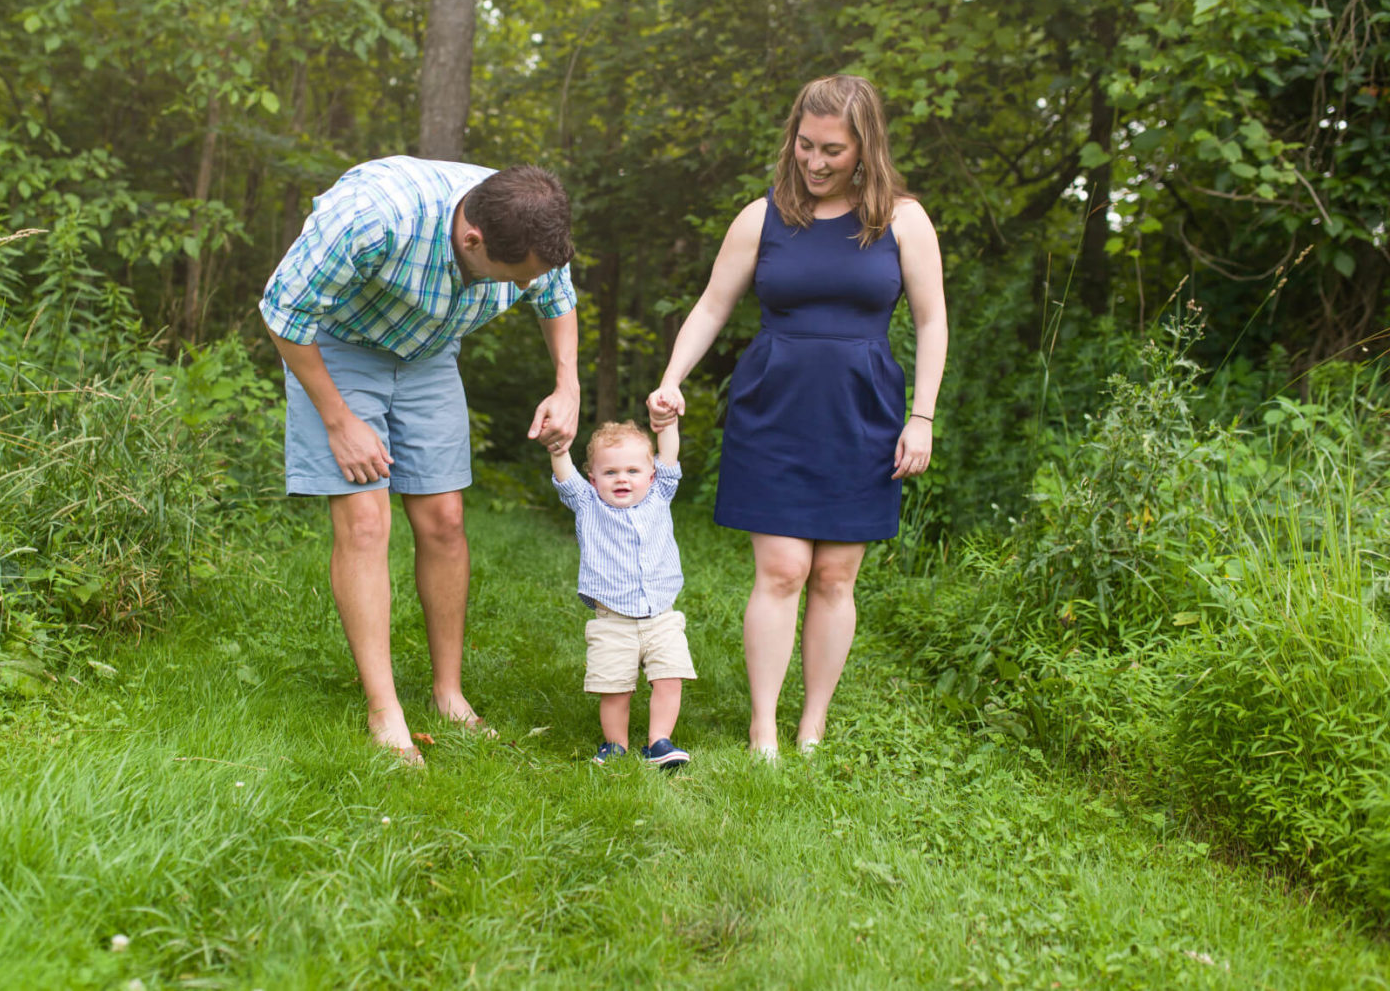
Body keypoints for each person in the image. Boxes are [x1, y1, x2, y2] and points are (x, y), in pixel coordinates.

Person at [647, 74, 948, 760]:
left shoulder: (904, 220)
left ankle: (812, 725)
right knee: (781, 568)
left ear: (865, 148)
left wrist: (921, 416)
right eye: (805, 145)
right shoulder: (763, 217)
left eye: (832, 150)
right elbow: (712, 306)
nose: (814, 162)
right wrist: (672, 378)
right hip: (775, 408)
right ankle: (764, 728)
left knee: (836, 574)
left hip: (863, 412)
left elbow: (932, 322)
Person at [260, 156, 581, 763]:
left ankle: (448, 694)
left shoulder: (528, 222)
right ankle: (385, 709)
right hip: (336, 346)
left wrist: (568, 384)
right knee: (365, 521)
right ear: (472, 239)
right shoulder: (373, 218)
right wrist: (339, 421)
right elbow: (284, 312)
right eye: (510, 278)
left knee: (445, 521)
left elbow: (555, 295)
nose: (519, 289)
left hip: (428, 354)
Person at [551, 419, 695, 769]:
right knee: (615, 688)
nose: (622, 478)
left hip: (662, 616)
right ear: (593, 479)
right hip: (613, 621)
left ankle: (659, 743)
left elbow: (670, 457)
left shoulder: (659, 496)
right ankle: (615, 745)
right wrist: (558, 449)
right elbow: (566, 480)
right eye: (610, 471)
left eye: (633, 470)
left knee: (669, 678)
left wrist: (668, 423)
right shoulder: (589, 506)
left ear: (650, 476)